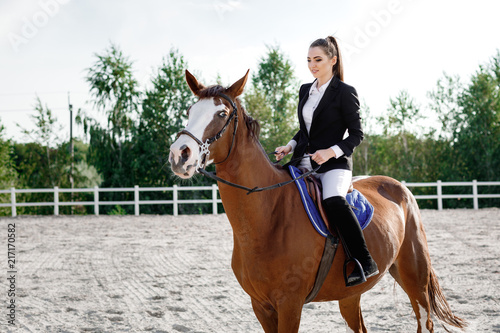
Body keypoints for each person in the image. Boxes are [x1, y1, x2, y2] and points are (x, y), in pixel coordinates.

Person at [275, 36, 378, 287]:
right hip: (302, 162)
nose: (312, 65)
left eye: (318, 60)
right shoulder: (304, 90)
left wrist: (330, 152)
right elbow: (306, 130)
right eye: (309, 60)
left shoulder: (345, 92)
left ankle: (364, 260)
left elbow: (356, 135)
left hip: (334, 165)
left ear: (333, 60)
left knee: (333, 199)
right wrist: (289, 146)